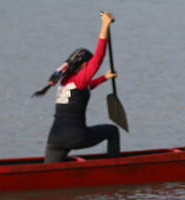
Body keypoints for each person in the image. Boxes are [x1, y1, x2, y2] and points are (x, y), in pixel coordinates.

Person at [33, 11, 120, 163]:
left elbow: (85, 89)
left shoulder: (64, 80)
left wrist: (104, 78)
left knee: (49, 174)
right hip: (76, 137)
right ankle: (116, 168)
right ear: (86, 64)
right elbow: (99, 57)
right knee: (112, 131)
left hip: (55, 141)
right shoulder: (80, 80)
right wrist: (104, 25)